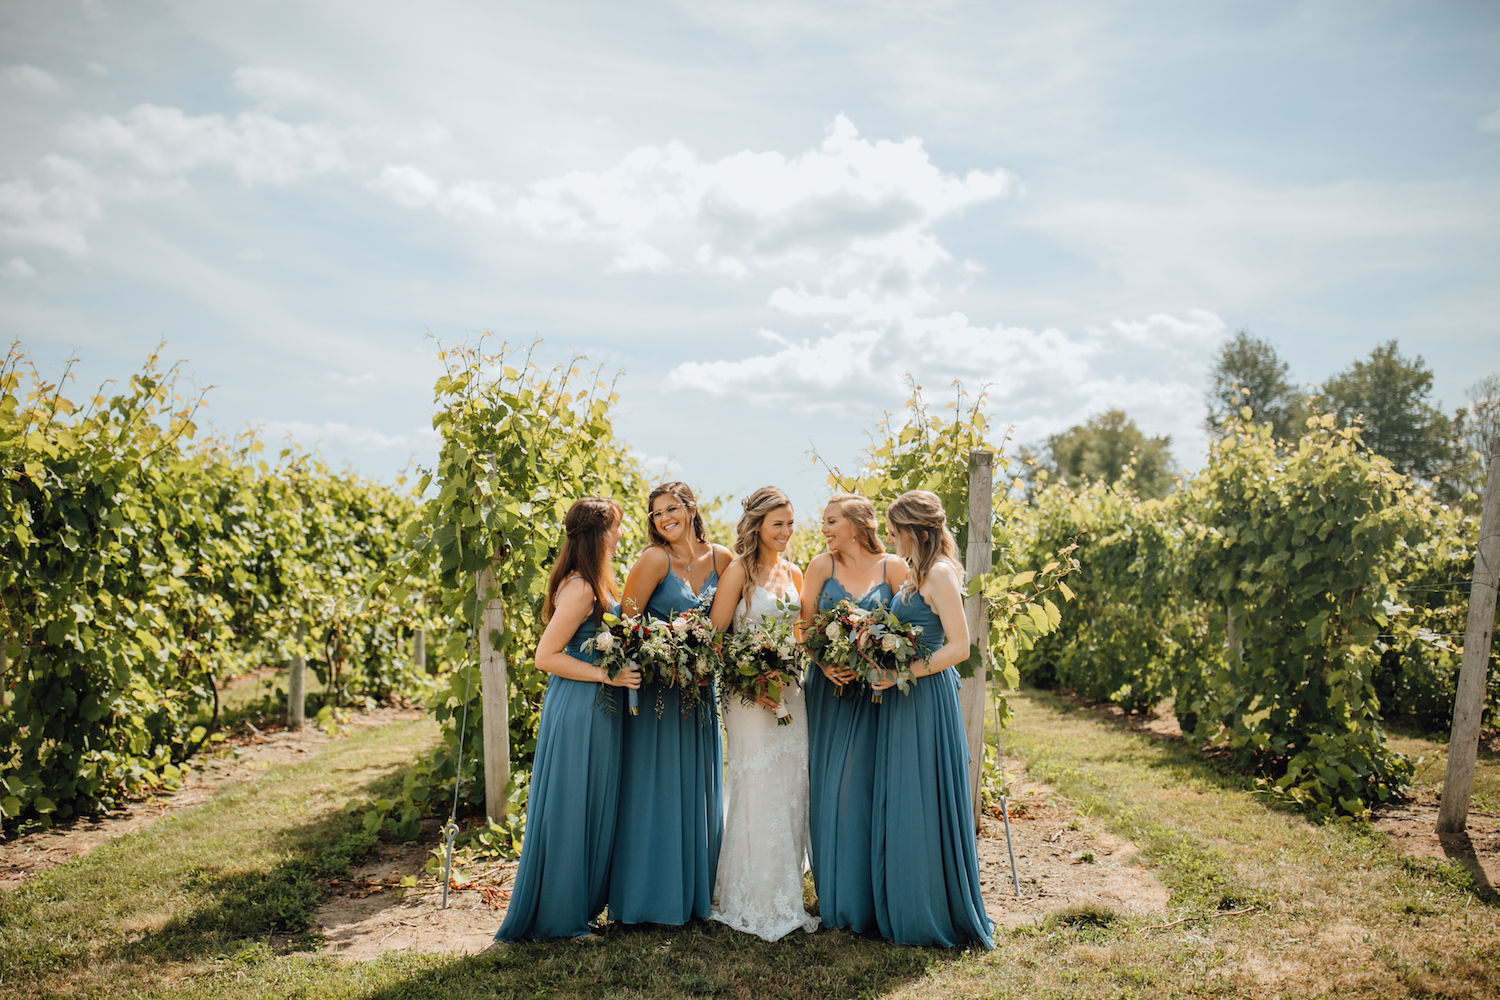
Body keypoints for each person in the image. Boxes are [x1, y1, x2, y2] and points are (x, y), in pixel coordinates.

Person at [493, 497, 642, 942]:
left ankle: (579, 907)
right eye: (616, 527)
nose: (621, 534)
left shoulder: (594, 581)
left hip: (597, 706)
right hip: (580, 707)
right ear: (600, 534)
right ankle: (561, 919)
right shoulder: (580, 588)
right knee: (574, 805)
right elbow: (545, 656)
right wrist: (607, 675)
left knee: (592, 803)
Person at [869, 489, 994, 949]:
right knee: (904, 793)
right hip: (905, 695)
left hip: (925, 698)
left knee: (921, 795)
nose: (889, 536)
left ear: (917, 532)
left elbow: (959, 648)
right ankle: (904, 903)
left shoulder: (939, 574)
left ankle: (929, 911)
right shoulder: (915, 572)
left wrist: (903, 670)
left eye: (894, 529)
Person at [609, 482, 731, 925]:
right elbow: (624, 626)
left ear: (691, 508)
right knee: (656, 788)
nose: (663, 519)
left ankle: (697, 893)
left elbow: (731, 623)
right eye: (656, 513)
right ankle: (649, 898)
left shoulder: (723, 559)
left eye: (671, 509)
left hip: (699, 692)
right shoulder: (653, 559)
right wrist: (666, 650)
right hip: (660, 692)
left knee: (696, 788)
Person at [706, 487, 820, 941]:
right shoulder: (739, 572)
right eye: (779, 524)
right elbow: (715, 638)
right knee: (757, 783)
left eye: (791, 523)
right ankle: (747, 895)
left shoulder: (794, 572)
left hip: (791, 690)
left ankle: (786, 891)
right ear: (756, 525)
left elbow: (801, 632)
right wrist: (750, 680)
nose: (787, 532)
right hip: (748, 696)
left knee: (792, 783)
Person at [797, 492, 905, 935]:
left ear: (858, 524)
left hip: (877, 693)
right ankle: (837, 898)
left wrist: (882, 660)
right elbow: (803, 628)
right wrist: (823, 662)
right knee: (832, 787)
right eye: (823, 521)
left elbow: (908, 628)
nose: (823, 528)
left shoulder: (894, 568)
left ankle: (873, 895)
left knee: (866, 788)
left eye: (830, 521)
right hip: (830, 689)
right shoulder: (821, 567)